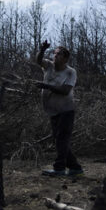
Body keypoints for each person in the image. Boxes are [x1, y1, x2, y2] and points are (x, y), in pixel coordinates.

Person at [34, 40, 82, 177]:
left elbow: (65, 91)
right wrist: (42, 49)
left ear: (65, 58)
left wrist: (46, 86)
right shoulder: (49, 66)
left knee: (61, 139)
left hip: (66, 110)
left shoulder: (70, 72)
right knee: (59, 140)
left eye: (59, 54)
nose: (55, 56)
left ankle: (59, 168)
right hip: (53, 110)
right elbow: (38, 60)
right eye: (54, 53)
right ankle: (75, 168)